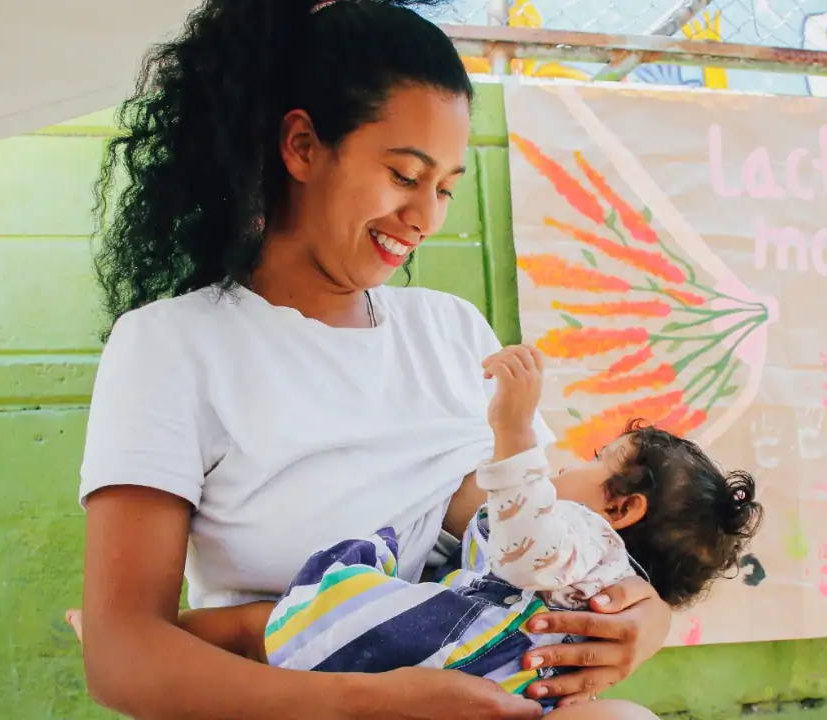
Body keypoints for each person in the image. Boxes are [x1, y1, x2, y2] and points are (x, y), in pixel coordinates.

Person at [69, 0, 678, 717]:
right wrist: (363, 703)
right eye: (404, 174)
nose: (426, 218)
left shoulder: (453, 331)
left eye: (446, 187)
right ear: (301, 146)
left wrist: (646, 619)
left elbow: (556, 525)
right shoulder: (172, 346)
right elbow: (120, 655)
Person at [161, 345, 762, 716]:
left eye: (594, 460)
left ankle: (164, 639)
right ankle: (154, 642)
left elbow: (529, 541)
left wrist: (516, 430)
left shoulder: (584, 538)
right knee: (268, 626)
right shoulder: (594, 566)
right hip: (491, 674)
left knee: (285, 620)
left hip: (451, 648)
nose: (567, 463)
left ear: (622, 510)